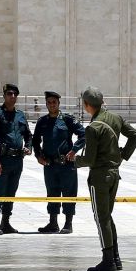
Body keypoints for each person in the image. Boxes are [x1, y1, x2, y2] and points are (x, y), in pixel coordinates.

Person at [69, 86, 136, 271]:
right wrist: (123, 155)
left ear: (86, 105)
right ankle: (115, 258)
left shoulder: (93, 128)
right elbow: (135, 136)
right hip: (114, 174)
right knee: (107, 216)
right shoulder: (115, 118)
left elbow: (90, 159)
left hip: (100, 176)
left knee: (101, 218)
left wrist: (74, 161)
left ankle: (108, 261)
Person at [32, 91, 86, 234]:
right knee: (52, 192)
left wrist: (74, 150)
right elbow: (35, 141)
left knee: (69, 193)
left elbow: (83, 134)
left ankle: (68, 223)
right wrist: (38, 156)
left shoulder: (67, 120)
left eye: (54, 102)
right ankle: (53, 223)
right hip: (49, 164)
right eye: (49, 102)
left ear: (58, 103)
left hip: (66, 164)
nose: (51, 105)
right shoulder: (42, 122)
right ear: (46, 104)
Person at [0, 84, 33, 235]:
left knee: (11, 192)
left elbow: (28, 135)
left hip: (17, 160)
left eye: (14, 94)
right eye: (9, 94)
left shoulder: (20, 115)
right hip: (3, 160)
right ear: (4, 96)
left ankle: (5, 222)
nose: (12, 96)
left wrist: (29, 147)